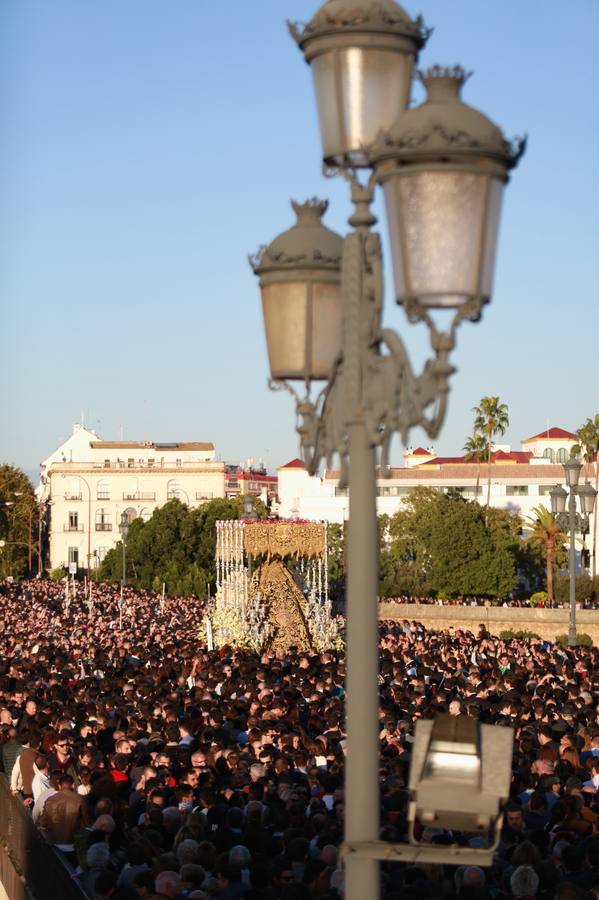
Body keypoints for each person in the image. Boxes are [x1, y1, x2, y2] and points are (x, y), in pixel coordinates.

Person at [38, 773, 89, 865]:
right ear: (73, 785)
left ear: (59, 785)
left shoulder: (50, 800)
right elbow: (87, 823)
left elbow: (43, 823)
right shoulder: (80, 799)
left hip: (55, 843)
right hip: (73, 843)